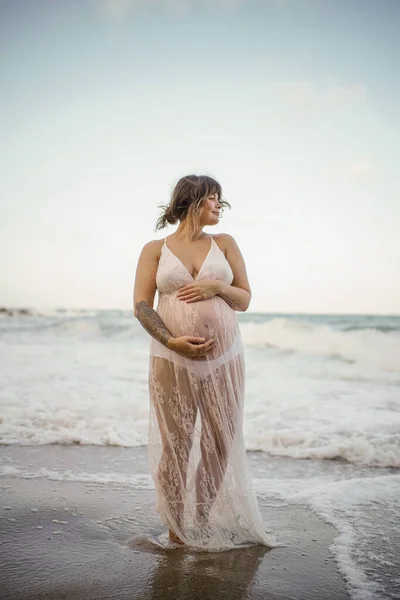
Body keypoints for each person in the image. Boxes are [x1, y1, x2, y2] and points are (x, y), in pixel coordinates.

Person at [133, 174, 278, 551]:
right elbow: (142, 305)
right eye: (213, 199)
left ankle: (199, 521)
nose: (219, 206)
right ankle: (176, 531)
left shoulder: (225, 243)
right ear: (193, 201)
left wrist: (217, 287)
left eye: (219, 200)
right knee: (175, 444)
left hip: (225, 358)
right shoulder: (155, 249)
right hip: (171, 357)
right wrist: (171, 340)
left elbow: (244, 299)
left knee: (219, 442)